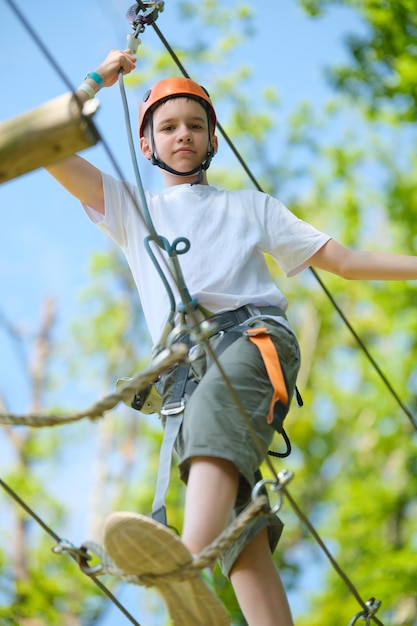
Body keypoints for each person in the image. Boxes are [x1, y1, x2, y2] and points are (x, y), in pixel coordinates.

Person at [46, 49, 417, 626]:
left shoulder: (251, 207)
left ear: (213, 139)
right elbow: (53, 147)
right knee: (222, 502)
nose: (184, 135)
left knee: (215, 427)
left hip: (252, 338)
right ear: (146, 143)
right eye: (168, 127)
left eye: (196, 125)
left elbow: (344, 260)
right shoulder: (131, 209)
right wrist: (98, 79)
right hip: (185, 371)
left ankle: (185, 562)